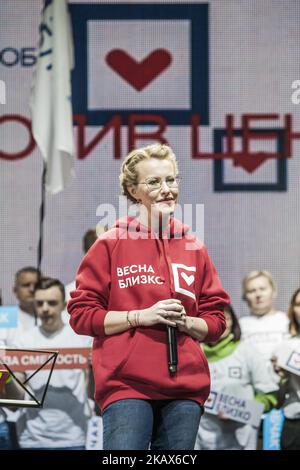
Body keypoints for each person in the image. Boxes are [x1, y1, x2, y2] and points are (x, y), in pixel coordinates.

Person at [68, 143, 230, 450]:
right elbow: (81, 314)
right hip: (126, 384)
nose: (167, 189)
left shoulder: (194, 245)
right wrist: (141, 316)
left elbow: (217, 321)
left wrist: (187, 322)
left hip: (185, 387)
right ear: (133, 190)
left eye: (171, 180)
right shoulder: (110, 243)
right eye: (154, 182)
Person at [12, 277, 92, 450]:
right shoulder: (22, 341)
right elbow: (16, 399)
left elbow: (92, 392)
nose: (45, 309)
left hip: (74, 437)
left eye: (52, 303)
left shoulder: (82, 339)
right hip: (31, 439)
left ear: (63, 305)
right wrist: (4, 376)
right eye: (40, 303)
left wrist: (94, 369)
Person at [195, 305, 278, 450]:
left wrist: (242, 411)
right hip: (202, 440)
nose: (221, 323)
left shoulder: (247, 352)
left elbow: (269, 396)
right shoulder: (193, 354)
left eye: (226, 318)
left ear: (233, 321)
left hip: (242, 441)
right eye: (214, 318)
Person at [239, 270, 289, 374]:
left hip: (286, 387)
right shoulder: (239, 326)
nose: (258, 294)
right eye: (252, 291)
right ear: (245, 297)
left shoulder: (287, 321)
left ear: (273, 291)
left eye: (262, 289)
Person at [272, 287, 300, 450]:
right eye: (298, 304)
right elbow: (278, 399)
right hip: (294, 422)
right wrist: (280, 377)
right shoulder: (285, 347)